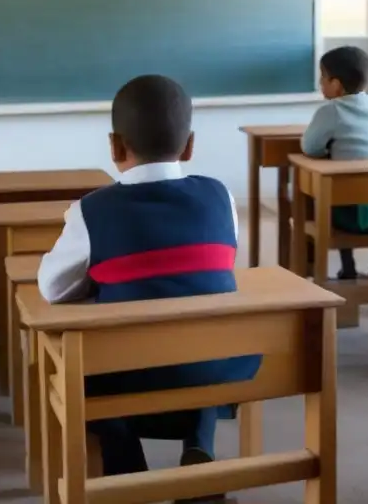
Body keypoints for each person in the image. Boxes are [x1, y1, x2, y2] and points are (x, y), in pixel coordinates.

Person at [37, 74, 260, 490]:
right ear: (190, 145)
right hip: (218, 368)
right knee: (196, 327)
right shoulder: (220, 196)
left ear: (115, 146)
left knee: (87, 363)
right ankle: (199, 447)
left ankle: (127, 469)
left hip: (130, 372)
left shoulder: (92, 211)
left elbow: (52, 290)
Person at [301, 46, 368, 279]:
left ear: (336, 84)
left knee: (331, 191)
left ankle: (348, 267)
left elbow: (310, 147)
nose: (320, 83)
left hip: (345, 216)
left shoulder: (330, 111)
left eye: (323, 77)